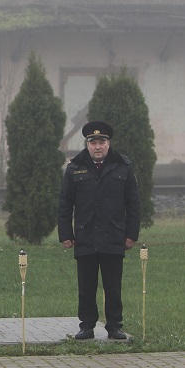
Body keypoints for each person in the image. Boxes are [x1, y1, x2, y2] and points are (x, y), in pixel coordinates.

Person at [58, 121, 139, 340]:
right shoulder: (75, 168)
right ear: (87, 145)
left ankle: (114, 326)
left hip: (114, 236)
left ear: (108, 144)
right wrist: (65, 234)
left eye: (102, 142)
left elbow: (133, 204)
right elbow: (65, 204)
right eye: (93, 142)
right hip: (85, 236)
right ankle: (87, 326)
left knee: (113, 287)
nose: (97, 146)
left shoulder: (123, 167)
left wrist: (131, 234)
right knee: (86, 287)